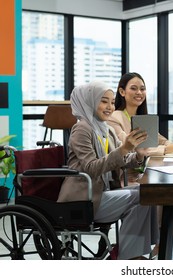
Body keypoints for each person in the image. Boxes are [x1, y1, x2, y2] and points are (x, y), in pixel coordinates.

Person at [57, 81, 159, 260]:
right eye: (104, 101)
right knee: (142, 196)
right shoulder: (82, 129)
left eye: (112, 102)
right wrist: (125, 148)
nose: (110, 107)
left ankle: (130, 254)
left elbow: (121, 159)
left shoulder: (106, 129)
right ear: (89, 101)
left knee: (148, 193)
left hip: (102, 193)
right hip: (83, 199)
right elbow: (91, 168)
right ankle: (128, 257)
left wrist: (138, 155)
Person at [107, 72, 173, 260]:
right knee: (165, 195)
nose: (139, 92)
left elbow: (162, 142)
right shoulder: (115, 118)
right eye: (133, 88)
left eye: (142, 88)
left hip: (146, 175)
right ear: (122, 92)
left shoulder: (143, 119)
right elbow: (128, 149)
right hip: (128, 180)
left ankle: (164, 245)